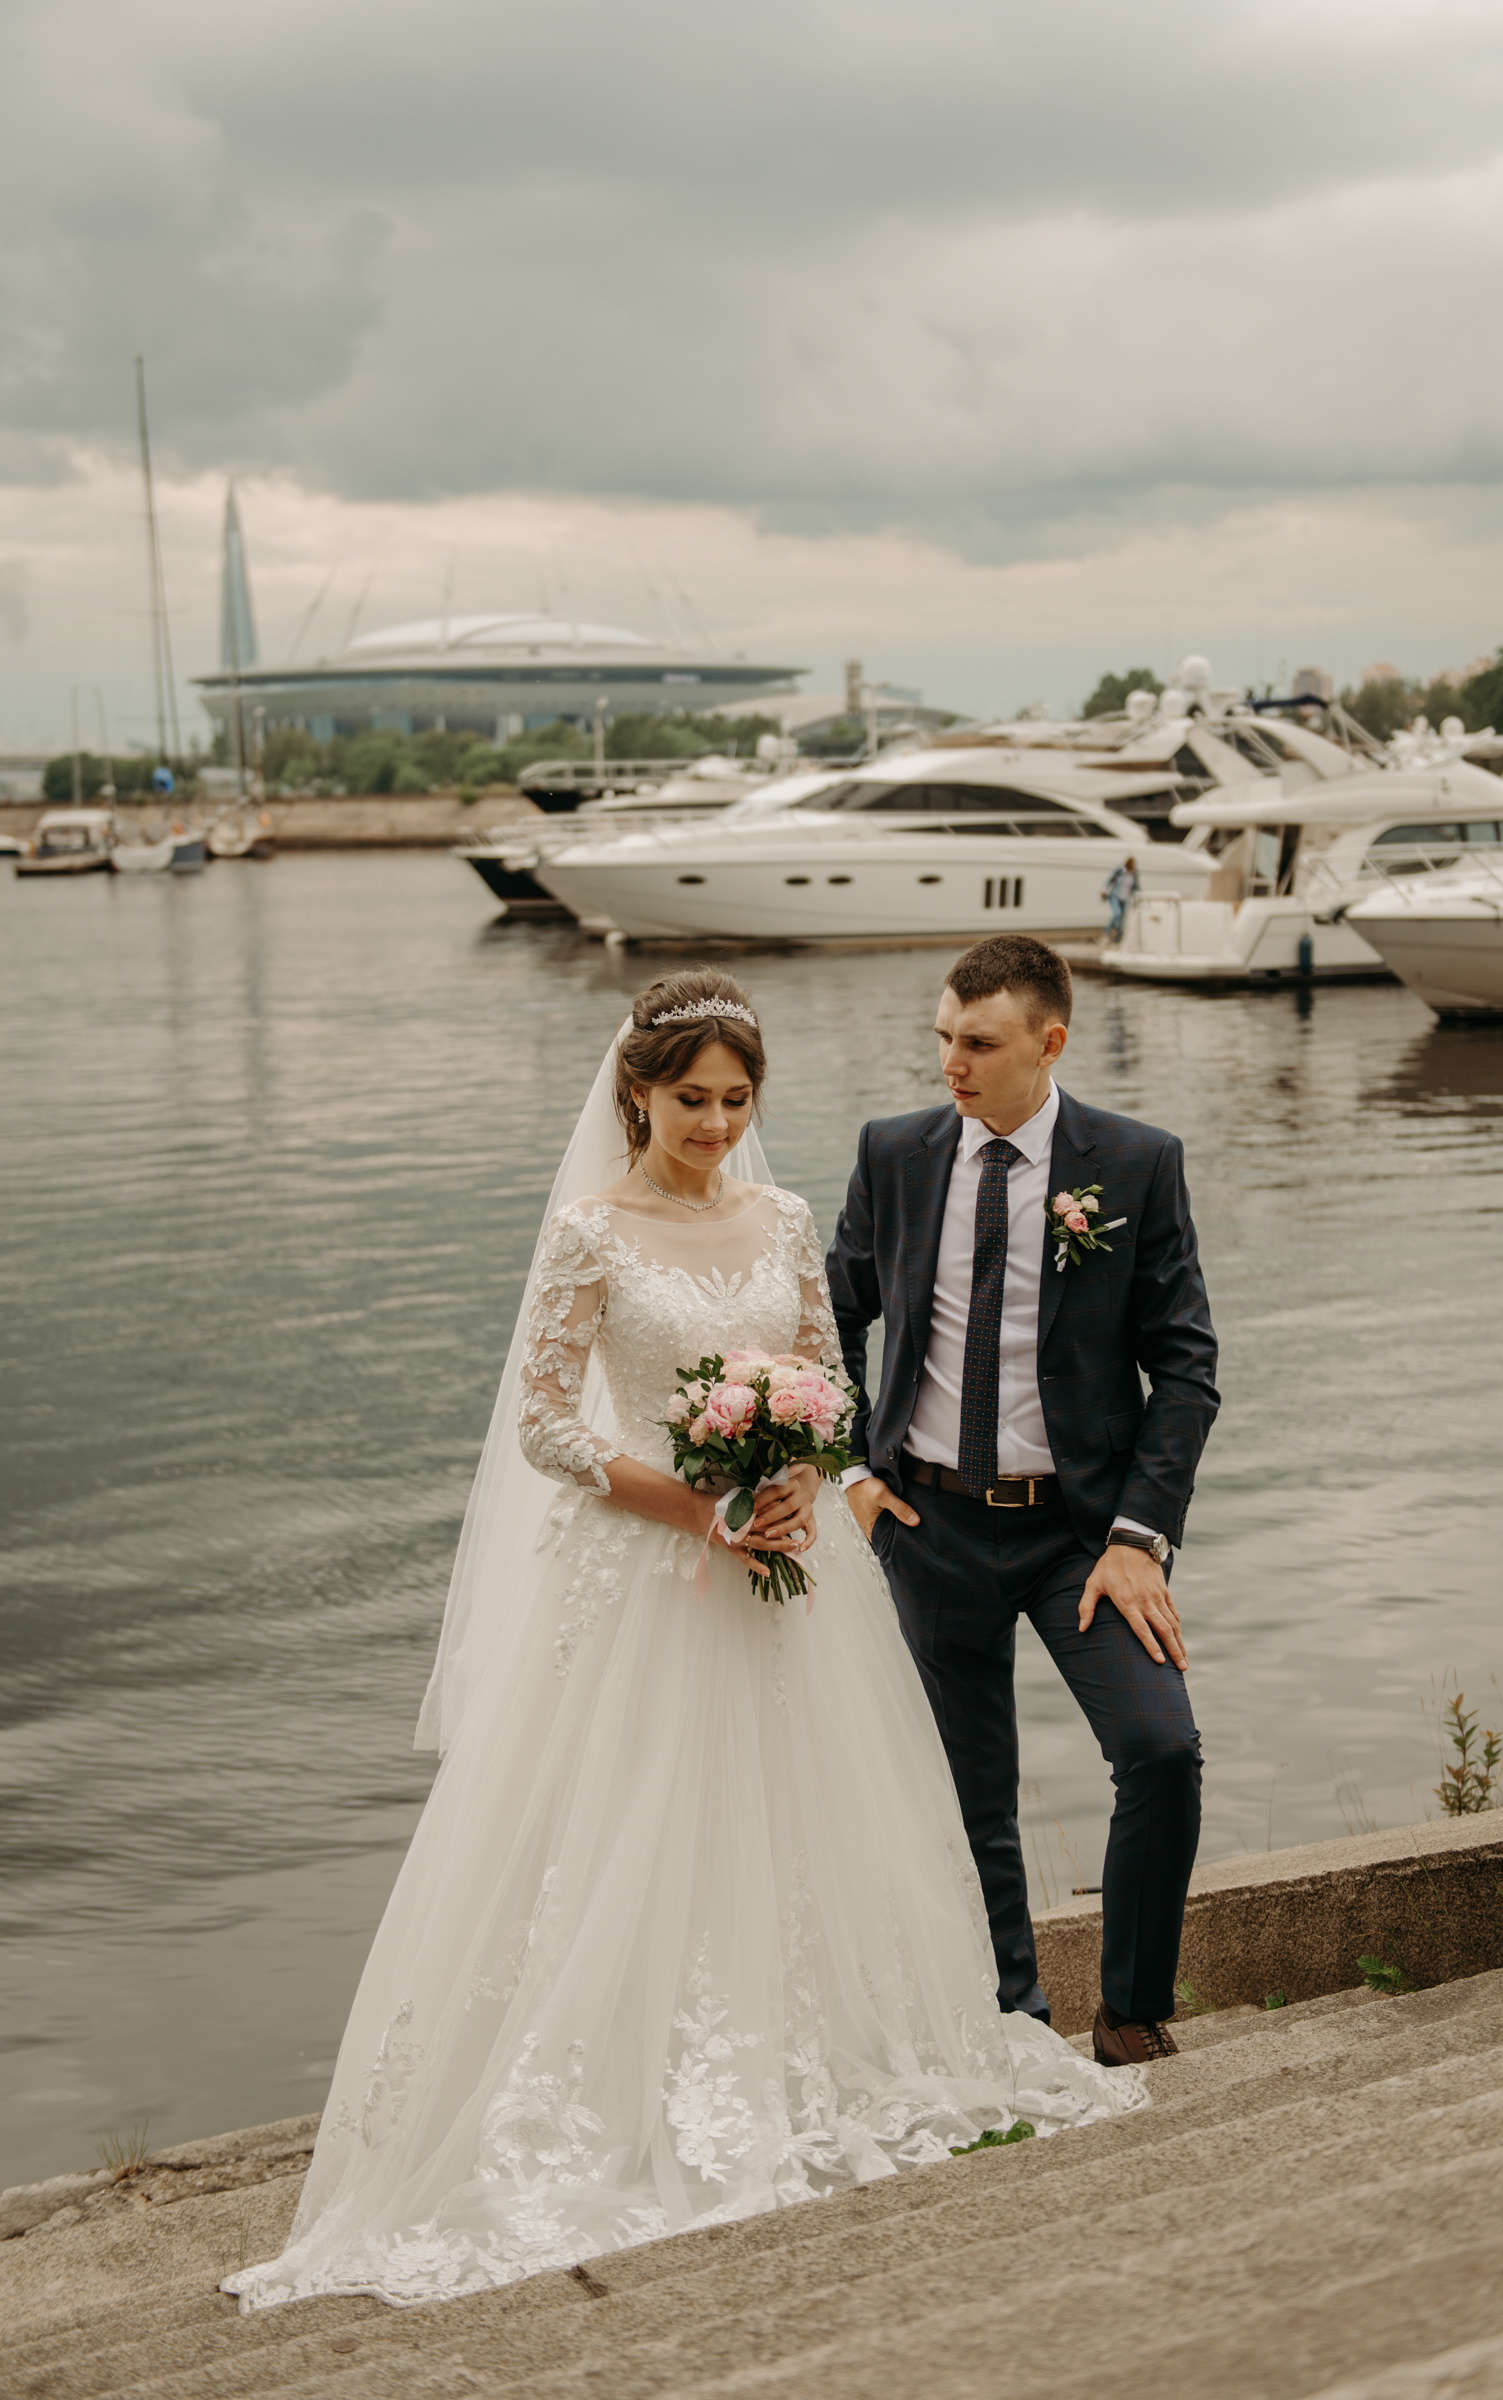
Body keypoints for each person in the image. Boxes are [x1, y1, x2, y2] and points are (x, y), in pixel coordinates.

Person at [222, 967, 1143, 2316]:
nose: (713, 1122)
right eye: (688, 1099)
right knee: (623, 1829)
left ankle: (817, 2061)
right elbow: (545, 1425)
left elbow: (828, 1381)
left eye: (733, 1098)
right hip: (641, 1574)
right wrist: (698, 1505)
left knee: (796, 1819)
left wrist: (797, 1474)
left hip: (784, 1568)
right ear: (635, 1094)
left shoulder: (780, 1218)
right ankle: (614, 2092)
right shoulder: (589, 1233)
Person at [827, 933, 1218, 2068]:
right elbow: (828, 1317)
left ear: (1049, 1042)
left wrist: (1140, 1536)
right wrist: (853, 1470)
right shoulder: (894, 1154)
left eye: (980, 1043)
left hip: (1080, 1536)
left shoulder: (1135, 1162)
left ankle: (1132, 2011)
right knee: (968, 1794)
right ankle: (1011, 2028)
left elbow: (1185, 1366)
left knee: (1160, 1751)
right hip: (928, 1525)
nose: (953, 1062)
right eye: (943, 1037)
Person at [1102, 855, 1140, 941]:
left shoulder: (1134, 874)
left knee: (1122, 919)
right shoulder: (1121, 871)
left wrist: (1140, 895)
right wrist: (1104, 889)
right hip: (1115, 896)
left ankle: (1118, 938)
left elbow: (1136, 887)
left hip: (1125, 898)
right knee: (1117, 913)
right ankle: (1107, 931)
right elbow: (1110, 880)